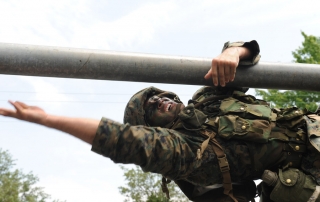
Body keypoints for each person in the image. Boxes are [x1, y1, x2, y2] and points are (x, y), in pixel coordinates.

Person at [1, 40, 320, 202]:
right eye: (151, 106)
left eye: (158, 94)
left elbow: (248, 49)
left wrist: (234, 52)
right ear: (155, 129)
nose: (159, 99)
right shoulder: (186, 154)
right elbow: (122, 141)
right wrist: (46, 119)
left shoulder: (209, 98)